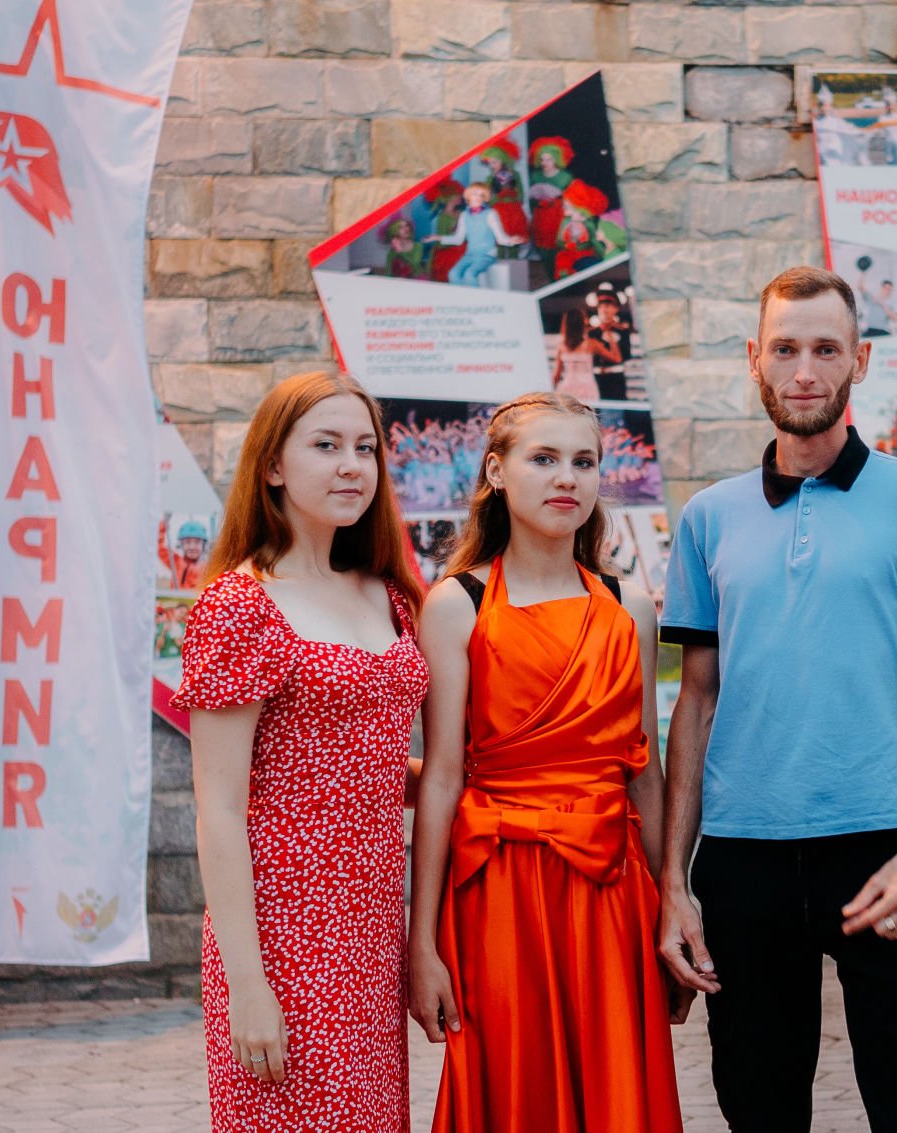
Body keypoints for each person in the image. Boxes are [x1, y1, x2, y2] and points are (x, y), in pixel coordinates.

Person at [658, 267, 897, 1132]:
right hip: (742, 859)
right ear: (754, 360)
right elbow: (695, 703)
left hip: (886, 849)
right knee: (758, 1109)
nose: (804, 370)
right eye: (785, 349)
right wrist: (672, 882)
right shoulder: (708, 517)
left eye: (826, 349)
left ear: (860, 360)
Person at [408, 391, 682, 1132]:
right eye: (544, 458)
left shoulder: (630, 605)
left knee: (615, 1086)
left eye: (584, 461)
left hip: (611, 887)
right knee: (514, 1087)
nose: (567, 477)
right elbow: (441, 777)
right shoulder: (456, 603)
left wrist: (673, 903)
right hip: (497, 891)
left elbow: (645, 770)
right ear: (497, 471)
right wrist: (422, 939)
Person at [174, 371, 428, 1131]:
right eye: (326, 445)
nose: (352, 465)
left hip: (372, 927)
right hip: (282, 930)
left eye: (365, 448)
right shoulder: (239, 605)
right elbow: (219, 807)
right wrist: (247, 987)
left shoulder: (387, 593)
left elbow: (366, 767)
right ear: (274, 466)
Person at [424, 182, 526, 288]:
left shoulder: (490, 213)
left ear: (485, 198)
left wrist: (511, 240)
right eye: (475, 194)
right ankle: (463, 297)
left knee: (469, 274)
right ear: (468, 196)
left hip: (486, 255)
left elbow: (501, 238)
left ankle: (476, 298)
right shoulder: (464, 215)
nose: (478, 197)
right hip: (469, 255)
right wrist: (437, 237)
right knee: (453, 274)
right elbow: (458, 239)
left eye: (481, 195)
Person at [550, 309, 619, 404]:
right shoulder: (592, 344)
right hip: (587, 388)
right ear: (583, 323)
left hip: (567, 388)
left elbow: (556, 376)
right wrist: (610, 336)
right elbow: (616, 358)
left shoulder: (562, 346)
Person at [591, 289, 634, 401]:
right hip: (597, 377)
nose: (604, 310)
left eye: (607, 306)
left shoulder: (622, 331)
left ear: (616, 309)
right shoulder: (592, 333)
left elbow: (626, 354)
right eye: (601, 307)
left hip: (616, 376)